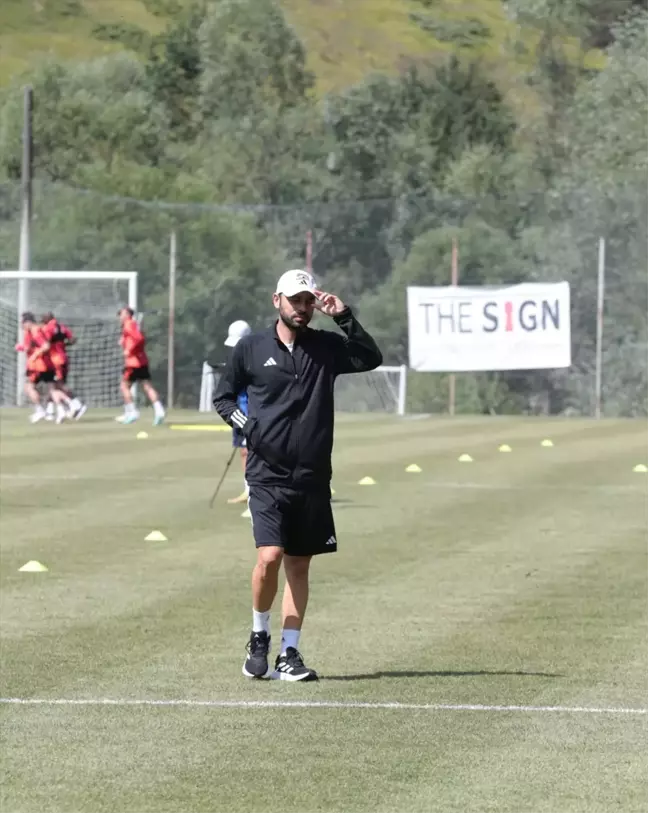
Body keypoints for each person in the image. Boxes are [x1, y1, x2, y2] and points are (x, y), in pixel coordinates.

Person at [213, 269, 382, 682]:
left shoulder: (325, 347)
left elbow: (369, 357)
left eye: (308, 301)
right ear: (277, 300)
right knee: (269, 557)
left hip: (312, 476)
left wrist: (343, 316)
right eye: (295, 300)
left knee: (299, 567)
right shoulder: (250, 349)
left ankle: (289, 654)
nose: (302, 308)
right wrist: (247, 426)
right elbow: (222, 397)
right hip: (267, 475)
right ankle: (259, 636)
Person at [116, 307, 165, 426]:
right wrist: (124, 341)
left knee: (124, 386)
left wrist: (129, 350)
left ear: (127, 314)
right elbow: (136, 338)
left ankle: (132, 412)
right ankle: (159, 411)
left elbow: (139, 339)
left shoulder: (129, 324)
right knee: (147, 386)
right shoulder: (131, 325)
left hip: (133, 362)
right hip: (142, 361)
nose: (119, 317)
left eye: (121, 314)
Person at [15, 312, 67, 423]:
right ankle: (62, 409)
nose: (22, 325)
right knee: (52, 389)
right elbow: (31, 346)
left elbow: (45, 345)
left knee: (29, 387)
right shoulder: (36, 330)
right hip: (46, 364)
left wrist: (34, 355)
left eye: (23, 323)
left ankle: (41, 410)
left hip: (39, 366)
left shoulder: (35, 331)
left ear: (28, 322)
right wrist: (22, 347)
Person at [223, 320, 253, 504]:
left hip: (250, 410)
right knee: (244, 450)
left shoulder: (254, 358)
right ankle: (249, 489)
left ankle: (255, 490)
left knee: (251, 451)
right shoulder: (236, 358)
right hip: (238, 410)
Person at [40, 312, 87, 421]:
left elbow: (45, 344)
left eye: (43, 318)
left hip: (56, 360)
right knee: (55, 385)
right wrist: (63, 345)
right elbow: (73, 339)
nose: (42, 320)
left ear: (48, 318)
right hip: (64, 358)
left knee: (58, 384)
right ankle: (55, 410)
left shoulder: (48, 329)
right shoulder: (62, 327)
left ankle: (78, 405)